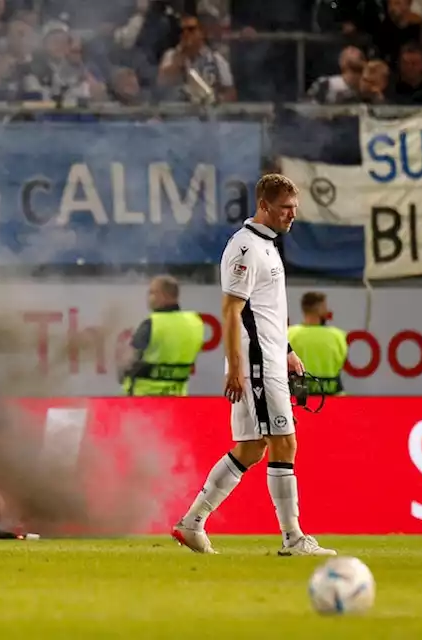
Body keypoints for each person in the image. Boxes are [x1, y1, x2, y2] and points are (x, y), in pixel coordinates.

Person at [171, 174, 336, 557]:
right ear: (264, 205)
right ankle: (293, 538)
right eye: (285, 208)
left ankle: (192, 523)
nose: (292, 216)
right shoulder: (245, 248)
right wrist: (235, 369)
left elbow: (264, 311)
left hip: (270, 357)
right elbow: (231, 311)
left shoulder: (267, 245)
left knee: (251, 447)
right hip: (257, 363)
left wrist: (288, 349)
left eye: (294, 208)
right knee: (285, 442)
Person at [119, 275, 206, 396]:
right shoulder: (195, 322)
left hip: (145, 399)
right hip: (179, 396)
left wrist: (122, 371)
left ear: (163, 295)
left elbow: (128, 360)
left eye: (151, 293)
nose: (148, 298)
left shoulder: (152, 324)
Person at [286, 292, 349, 397]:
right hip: (332, 395)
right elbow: (341, 362)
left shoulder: (289, 334)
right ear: (320, 310)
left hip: (299, 395)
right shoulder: (338, 336)